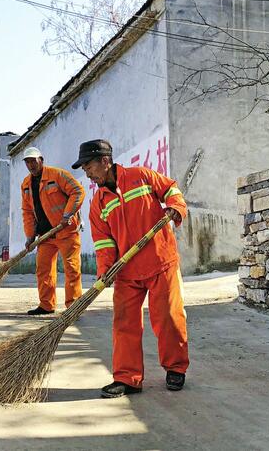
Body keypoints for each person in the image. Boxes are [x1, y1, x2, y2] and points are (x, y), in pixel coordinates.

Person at [72, 139, 189, 398]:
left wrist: (174, 208)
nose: (87, 173)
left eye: (89, 166)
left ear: (105, 161)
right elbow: (103, 242)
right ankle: (127, 378)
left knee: (168, 318)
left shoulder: (141, 177)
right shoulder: (98, 203)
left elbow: (171, 189)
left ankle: (175, 369)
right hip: (126, 272)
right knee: (124, 324)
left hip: (160, 261)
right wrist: (106, 269)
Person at [20, 146, 85, 315]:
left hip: (66, 231)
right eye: (27, 162)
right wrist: (30, 236)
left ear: (41, 160)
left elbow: (78, 191)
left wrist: (67, 214)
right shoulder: (26, 184)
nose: (31, 165)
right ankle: (46, 305)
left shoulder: (57, 175)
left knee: (71, 268)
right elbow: (27, 211)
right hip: (45, 236)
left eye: (33, 161)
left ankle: (74, 307)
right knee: (43, 269)